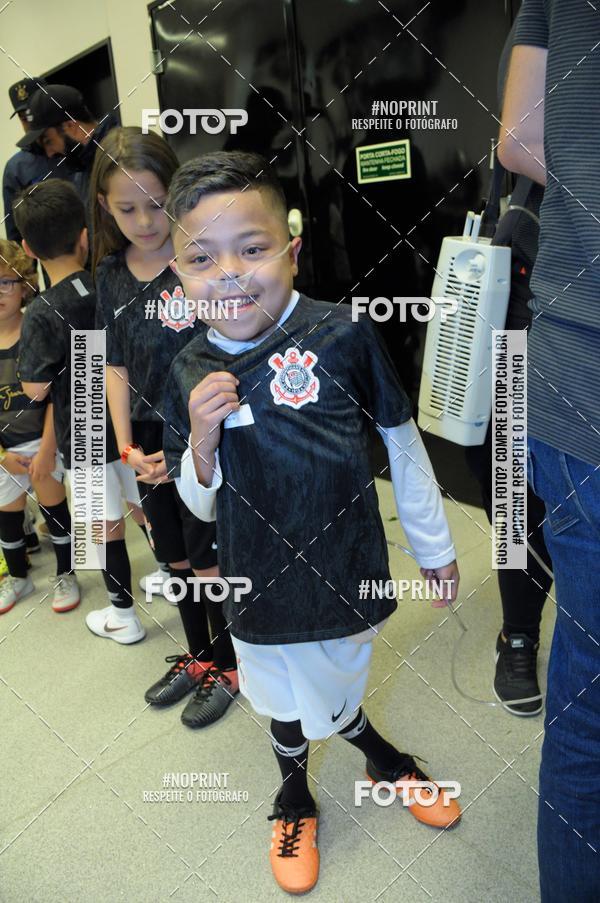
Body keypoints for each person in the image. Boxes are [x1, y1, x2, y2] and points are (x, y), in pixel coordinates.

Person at [162, 151, 462, 894]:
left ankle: (380, 759)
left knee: (332, 684)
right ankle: (297, 798)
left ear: (292, 251)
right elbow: (196, 502)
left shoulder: (343, 334)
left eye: (252, 248)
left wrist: (435, 546)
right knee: (275, 693)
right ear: (178, 275)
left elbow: (401, 442)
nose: (229, 274)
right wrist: (201, 439)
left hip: (346, 564)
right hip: (255, 575)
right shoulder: (188, 368)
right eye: (202, 259)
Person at [498, 2, 600, 901]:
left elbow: (521, 138)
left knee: (588, 692)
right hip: (555, 367)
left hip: (565, 369)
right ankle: (513, 637)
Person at [90, 127, 237, 725]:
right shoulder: (109, 274)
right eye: (127, 209)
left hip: (202, 434)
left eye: (155, 204)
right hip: (146, 441)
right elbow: (113, 364)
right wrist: (125, 446)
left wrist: (199, 439)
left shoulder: (199, 259)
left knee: (209, 559)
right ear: (105, 207)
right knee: (172, 554)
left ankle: (230, 664)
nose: (145, 221)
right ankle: (199, 653)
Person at [14, 179, 150, 644]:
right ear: (85, 235)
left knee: (103, 525)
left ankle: (123, 615)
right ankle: (173, 576)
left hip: (84, 425)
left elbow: (35, 389)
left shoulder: (42, 311)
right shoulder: (108, 280)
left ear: (28, 248)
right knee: (144, 505)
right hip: (129, 415)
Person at [465, 14, 553, 717]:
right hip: (533, 293)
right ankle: (516, 634)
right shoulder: (551, 15)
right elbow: (519, 143)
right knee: (516, 489)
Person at [0, 239, 79, 614]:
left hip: (44, 441)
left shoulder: (36, 331)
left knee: (54, 507)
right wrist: (2, 457)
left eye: (6, 282)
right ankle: (18, 577)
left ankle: (67, 574)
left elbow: (56, 398)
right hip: (5, 452)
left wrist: (48, 449)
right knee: (7, 515)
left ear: (24, 284)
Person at [15, 84, 118, 235]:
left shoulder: (119, 156)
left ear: (71, 126)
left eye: (48, 141)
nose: (49, 153)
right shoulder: (82, 168)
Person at [2, 78, 57, 244]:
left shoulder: (73, 147)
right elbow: (16, 235)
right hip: (50, 257)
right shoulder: (16, 169)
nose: (30, 122)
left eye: (33, 113)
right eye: (23, 117)